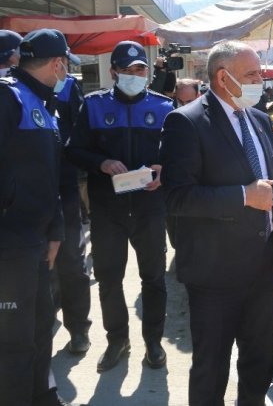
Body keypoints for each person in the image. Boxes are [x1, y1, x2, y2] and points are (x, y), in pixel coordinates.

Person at [159, 40, 273, 406]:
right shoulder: (186, 122)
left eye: (260, 73)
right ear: (223, 77)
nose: (260, 81)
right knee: (211, 368)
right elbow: (176, 197)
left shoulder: (261, 120)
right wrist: (242, 195)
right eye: (252, 74)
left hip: (264, 267)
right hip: (215, 273)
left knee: (258, 363)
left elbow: (272, 187)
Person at [66, 40, 171, 373]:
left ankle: (153, 342)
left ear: (148, 72)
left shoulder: (165, 107)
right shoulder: (93, 106)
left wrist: (163, 172)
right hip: (108, 210)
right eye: (126, 70)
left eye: (139, 70)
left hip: (149, 208)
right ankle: (117, 341)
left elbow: (178, 156)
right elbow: (73, 150)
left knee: (153, 279)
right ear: (113, 72)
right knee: (109, 279)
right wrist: (102, 162)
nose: (133, 75)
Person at [0, 28, 82, 406]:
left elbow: (48, 177)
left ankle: (42, 394)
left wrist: (53, 232)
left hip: (35, 243)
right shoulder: (7, 97)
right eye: (65, 65)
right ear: (57, 63)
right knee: (12, 343)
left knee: (39, 328)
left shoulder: (41, 104)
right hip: (9, 245)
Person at [51, 74, 92, 355]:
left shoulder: (66, 86)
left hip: (62, 184)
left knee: (71, 263)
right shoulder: (12, 95)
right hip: (20, 196)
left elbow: (77, 134)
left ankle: (78, 329)